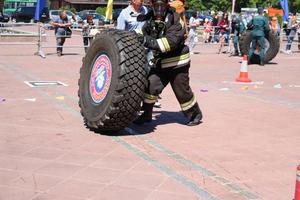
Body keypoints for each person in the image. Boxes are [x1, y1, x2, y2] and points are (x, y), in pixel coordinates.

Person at [133, 0, 202, 126]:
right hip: (161, 62)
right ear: (152, 5)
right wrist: (133, 36)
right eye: (155, 4)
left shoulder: (175, 19)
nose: (158, 8)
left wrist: (146, 40)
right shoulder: (150, 19)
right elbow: (143, 33)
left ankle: (195, 114)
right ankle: (147, 114)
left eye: (161, 4)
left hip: (177, 62)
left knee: (182, 91)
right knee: (150, 86)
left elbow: (169, 43)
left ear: (166, 4)